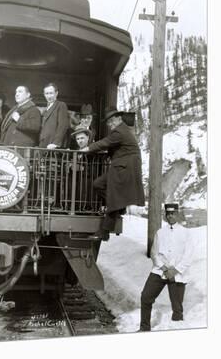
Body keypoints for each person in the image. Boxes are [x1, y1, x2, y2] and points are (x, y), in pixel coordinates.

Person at [82, 107, 145, 240]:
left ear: (118, 118)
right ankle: (118, 207)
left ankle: (104, 231)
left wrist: (87, 149)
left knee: (113, 198)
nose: (110, 125)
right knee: (99, 185)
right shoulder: (121, 130)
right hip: (121, 166)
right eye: (108, 123)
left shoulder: (119, 131)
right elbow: (111, 146)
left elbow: (105, 142)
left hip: (124, 167)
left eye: (111, 121)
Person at [139, 203, 194, 331]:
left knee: (177, 307)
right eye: (168, 214)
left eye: (173, 213)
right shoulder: (160, 232)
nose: (170, 216)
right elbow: (154, 253)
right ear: (165, 215)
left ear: (178, 214)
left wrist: (174, 270)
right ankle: (144, 328)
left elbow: (189, 256)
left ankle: (176, 331)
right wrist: (163, 268)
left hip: (177, 274)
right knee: (146, 297)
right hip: (160, 271)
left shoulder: (186, 233)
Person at [39, 83, 70, 149]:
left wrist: (56, 143)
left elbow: (63, 125)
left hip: (53, 146)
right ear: (44, 95)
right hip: (44, 145)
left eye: (51, 93)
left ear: (56, 93)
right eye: (46, 94)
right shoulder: (45, 110)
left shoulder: (61, 105)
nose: (49, 96)